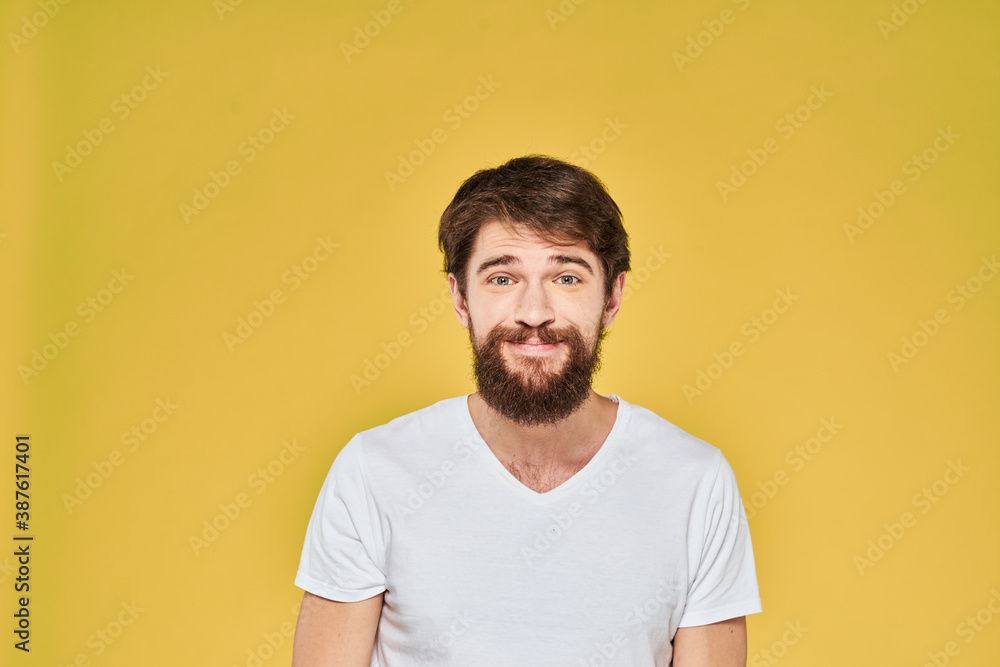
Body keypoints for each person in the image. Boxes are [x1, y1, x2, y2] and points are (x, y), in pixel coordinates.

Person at [291, 155, 762, 666]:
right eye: (501, 279)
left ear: (612, 298)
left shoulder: (696, 482)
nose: (534, 313)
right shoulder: (374, 472)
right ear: (459, 297)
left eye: (566, 278)